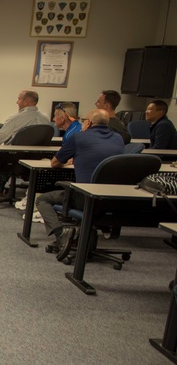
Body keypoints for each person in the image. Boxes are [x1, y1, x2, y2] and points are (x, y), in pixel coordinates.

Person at [34, 109, 125, 258]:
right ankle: (83, 237)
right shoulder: (118, 139)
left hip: (87, 198)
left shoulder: (78, 137)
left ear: (88, 123)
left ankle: (61, 234)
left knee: (43, 199)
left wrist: (69, 161)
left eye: (84, 121)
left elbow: (55, 163)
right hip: (114, 200)